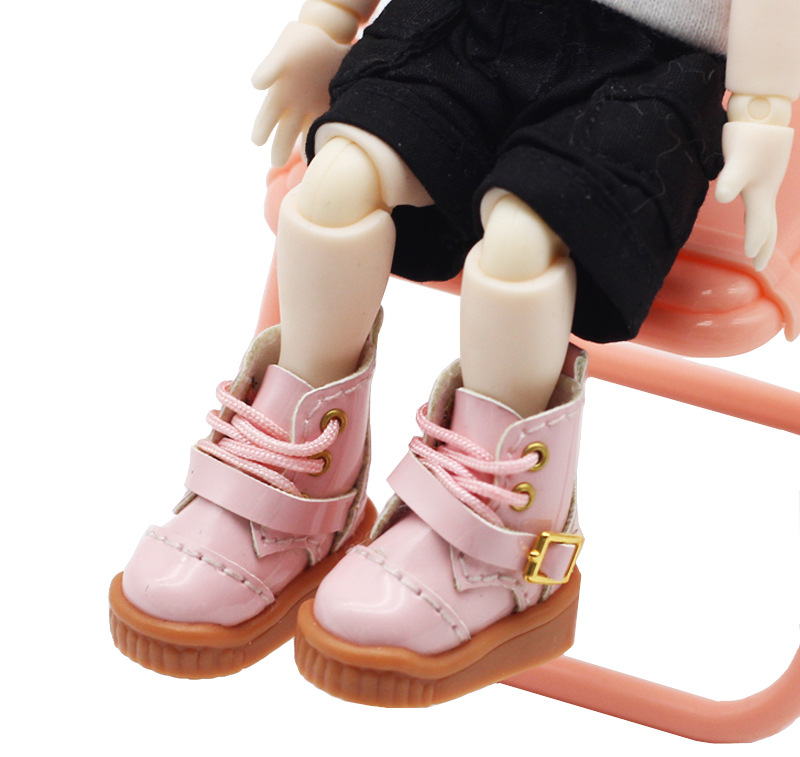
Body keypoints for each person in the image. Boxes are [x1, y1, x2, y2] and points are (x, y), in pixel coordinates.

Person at [110, 0, 799, 705]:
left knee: (522, 244)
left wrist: (762, 110)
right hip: (474, 22)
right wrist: (328, 21)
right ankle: (302, 463)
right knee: (334, 186)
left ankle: (504, 525)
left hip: (649, 68)